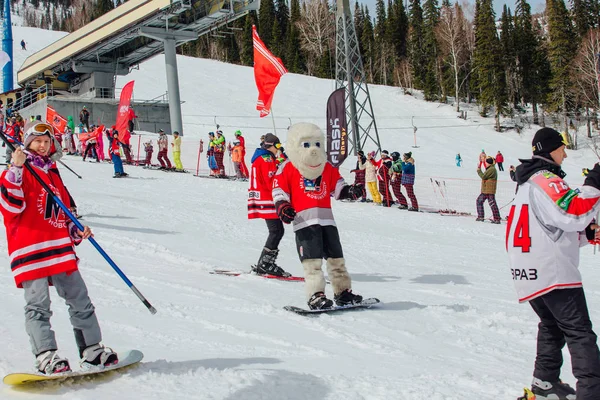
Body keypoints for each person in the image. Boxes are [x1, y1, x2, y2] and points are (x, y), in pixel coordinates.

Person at [0, 122, 118, 374]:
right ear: (28, 142)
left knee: (80, 300)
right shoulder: (18, 171)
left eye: (46, 141)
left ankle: (91, 350)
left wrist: (76, 229)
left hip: (60, 250)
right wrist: (16, 167)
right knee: (38, 306)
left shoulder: (53, 175)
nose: (43, 146)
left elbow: (64, 214)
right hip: (31, 249)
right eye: (37, 141)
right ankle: (46, 355)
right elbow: (10, 207)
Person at [509, 127, 600, 400]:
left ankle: (544, 383)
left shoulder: (527, 182)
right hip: (553, 272)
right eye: (562, 147)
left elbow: (553, 227)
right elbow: (574, 211)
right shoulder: (545, 178)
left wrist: (588, 234)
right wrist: (595, 180)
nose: (565, 153)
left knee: (552, 326)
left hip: (529, 271)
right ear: (550, 148)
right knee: (580, 333)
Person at [272, 123, 364, 310]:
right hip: (304, 221)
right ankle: (316, 294)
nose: (313, 149)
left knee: (336, 258)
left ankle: (342, 292)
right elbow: (279, 190)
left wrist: (350, 191)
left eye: (316, 144)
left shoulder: (326, 167)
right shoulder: (288, 167)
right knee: (312, 262)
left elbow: (337, 186)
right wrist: (283, 206)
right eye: (306, 145)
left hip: (327, 220)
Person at [247, 133, 291, 277]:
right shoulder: (266, 158)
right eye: (277, 146)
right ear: (270, 145)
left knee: (277, 230)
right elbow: (271, 178)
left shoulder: (263, 157)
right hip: (267, 198)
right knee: (276, 231)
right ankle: (265, 264)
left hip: (264, 197)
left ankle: (265, 263)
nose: (279, 149)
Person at [476, 156, 501, 223]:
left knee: (491, 204)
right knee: (480, 201)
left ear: (489, 163)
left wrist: (479, 170)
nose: (485, 164)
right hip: (486, 190)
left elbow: (484, 176)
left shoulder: (491, 169)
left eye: (486, 162)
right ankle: (482, 217)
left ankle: (496, 219)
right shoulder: (490, 168)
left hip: (489, 190)